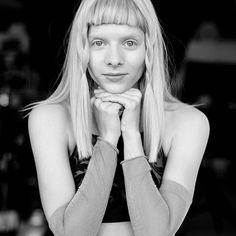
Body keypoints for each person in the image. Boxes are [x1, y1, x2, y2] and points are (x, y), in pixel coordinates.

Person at [27, 0, 210, 235]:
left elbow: (157, 233)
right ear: (82, 49)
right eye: (99, 43)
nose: (114, 59)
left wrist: (131, 136)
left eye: (130, 42)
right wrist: (108, 141)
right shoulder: (50, 118)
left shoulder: (188, 123)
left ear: (149, 49)